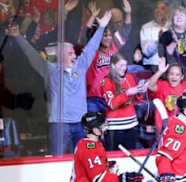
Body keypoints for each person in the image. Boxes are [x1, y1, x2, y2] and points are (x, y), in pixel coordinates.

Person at [8, 11, 112, 155]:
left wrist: (101, 28)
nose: (75, 55)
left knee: (83, 158)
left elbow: (91, 48)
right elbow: (31, 56)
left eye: (74, 53)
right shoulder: (50, 70)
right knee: (57, 159)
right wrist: (18, 37)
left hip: (81, 123)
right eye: (70, 53)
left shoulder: (80, 67)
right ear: (60, 56)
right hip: (59, 124)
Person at [85, 0, 132, 113]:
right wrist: (93, 16)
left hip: (110, 96)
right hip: (94, 97)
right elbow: (86, 34)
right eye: (105, 35)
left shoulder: (114, 46)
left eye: (110, 35)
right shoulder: (92, 50)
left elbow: (126, 30)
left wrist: (128, 13)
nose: (108, 38)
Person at [100, 53, 146, 151]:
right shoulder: (106, 81)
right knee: (114, 159)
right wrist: (128, 93)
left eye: (125, 65)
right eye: (121, 65)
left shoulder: (129, 77)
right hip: (115, 127)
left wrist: (140, 91)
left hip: (131, 125)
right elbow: (112, 104)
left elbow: (137, 100)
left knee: (130, 158)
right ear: (113, 65)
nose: (124, 68)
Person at [140, 0, 170, 72]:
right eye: (157, 8)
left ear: (167, 12)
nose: (159, 11)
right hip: (152, 67)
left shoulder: (173, 26)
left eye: (162, 8)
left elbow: (181, 50)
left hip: (171, 66)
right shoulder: (146, 27)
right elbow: (146, 52)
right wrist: (158, 41)